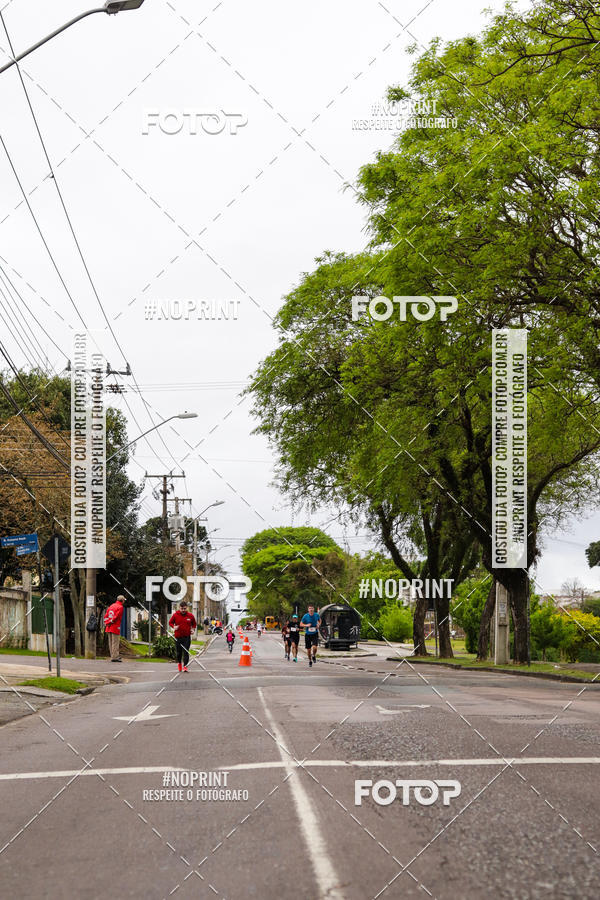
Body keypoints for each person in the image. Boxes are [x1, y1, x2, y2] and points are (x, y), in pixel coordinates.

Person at [169, 600, 196, 672]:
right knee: (179, 652)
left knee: (186, 651)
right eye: (182, 608)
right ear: (179, 608)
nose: (183, 610)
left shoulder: (190, 615)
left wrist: (193, 629)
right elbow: (170, 622)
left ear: (187, 608)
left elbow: (194, 624)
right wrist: (174, 627)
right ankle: (179, 664)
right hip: (178, 637)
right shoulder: (175, 615)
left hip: (187, 637)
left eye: (184, 608)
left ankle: (185, 666)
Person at [104, 595, 125, 662]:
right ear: (122, 600)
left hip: (108, 626)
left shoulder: (111, 606)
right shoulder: (120, 607)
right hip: (115, 626)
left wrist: (107, 622)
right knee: (115, 642)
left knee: (110, 642)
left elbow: (106, 616)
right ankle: (115, 657)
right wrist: (111, 621)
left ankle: (112, 655)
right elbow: (116, 617)